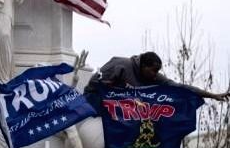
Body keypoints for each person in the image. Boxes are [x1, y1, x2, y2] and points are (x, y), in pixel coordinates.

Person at [84, 52, 230, 100]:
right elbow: (95, 83)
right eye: (153, 70)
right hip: (95, 97)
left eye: (157, 71)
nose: (155, 75)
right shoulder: (120, 65)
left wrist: (213, 95)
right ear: (143, 66)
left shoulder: (155, 78)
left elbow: (180, 87)